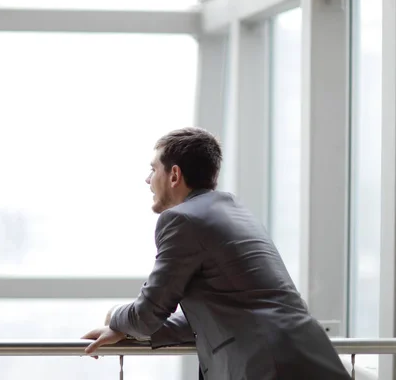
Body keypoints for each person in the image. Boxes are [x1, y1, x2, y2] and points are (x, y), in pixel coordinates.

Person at [81, 127, 351, 379]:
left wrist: (115, 317)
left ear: (174, 175)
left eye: (153, 169)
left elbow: (146, 314)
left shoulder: (180, 220)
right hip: (307, 355)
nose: (148, 179)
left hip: (266, 366)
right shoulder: (233, 210)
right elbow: (216, 315)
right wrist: (134, 333)